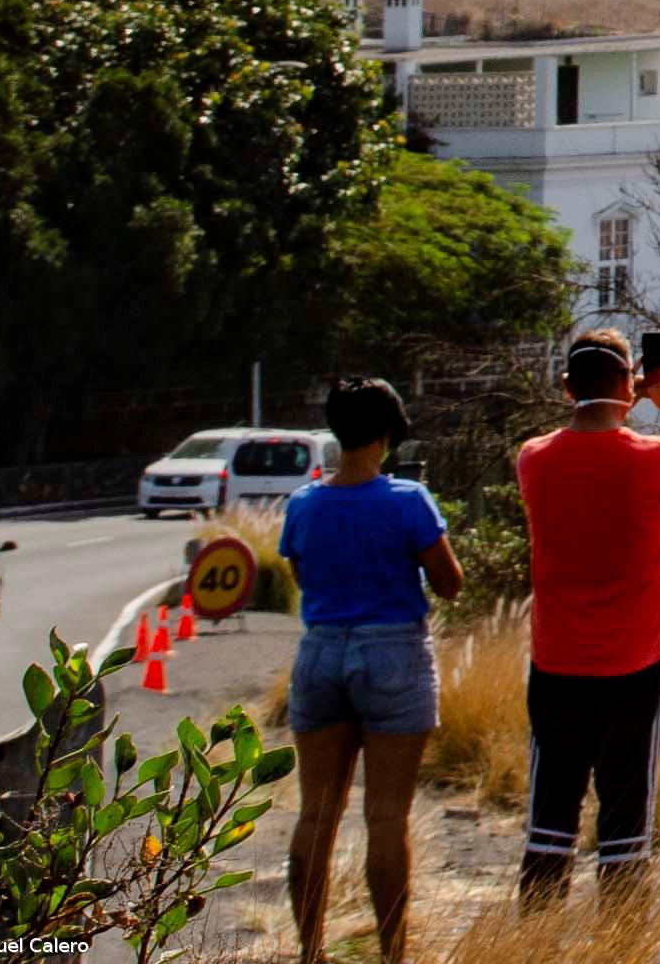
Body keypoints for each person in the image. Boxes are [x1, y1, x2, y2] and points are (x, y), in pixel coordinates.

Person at [513, 329, 660, 901]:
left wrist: (627, 399)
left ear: (565, 387)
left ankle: (534, 944)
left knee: (550, 821)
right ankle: (622, 943)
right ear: (631, 386)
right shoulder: (656, 456)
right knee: (625, 826)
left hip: (556, 664)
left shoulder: (534, 459)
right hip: (635, 664)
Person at [281, 376, 462, 963]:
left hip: (321, 652)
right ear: (387, 434)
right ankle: (391, 953)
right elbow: (449, 582)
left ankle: (311, 951)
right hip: (393, 654)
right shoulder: (408, 500)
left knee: (316, 813)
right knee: (386, 816)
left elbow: (305, 578)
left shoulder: (304, 503)